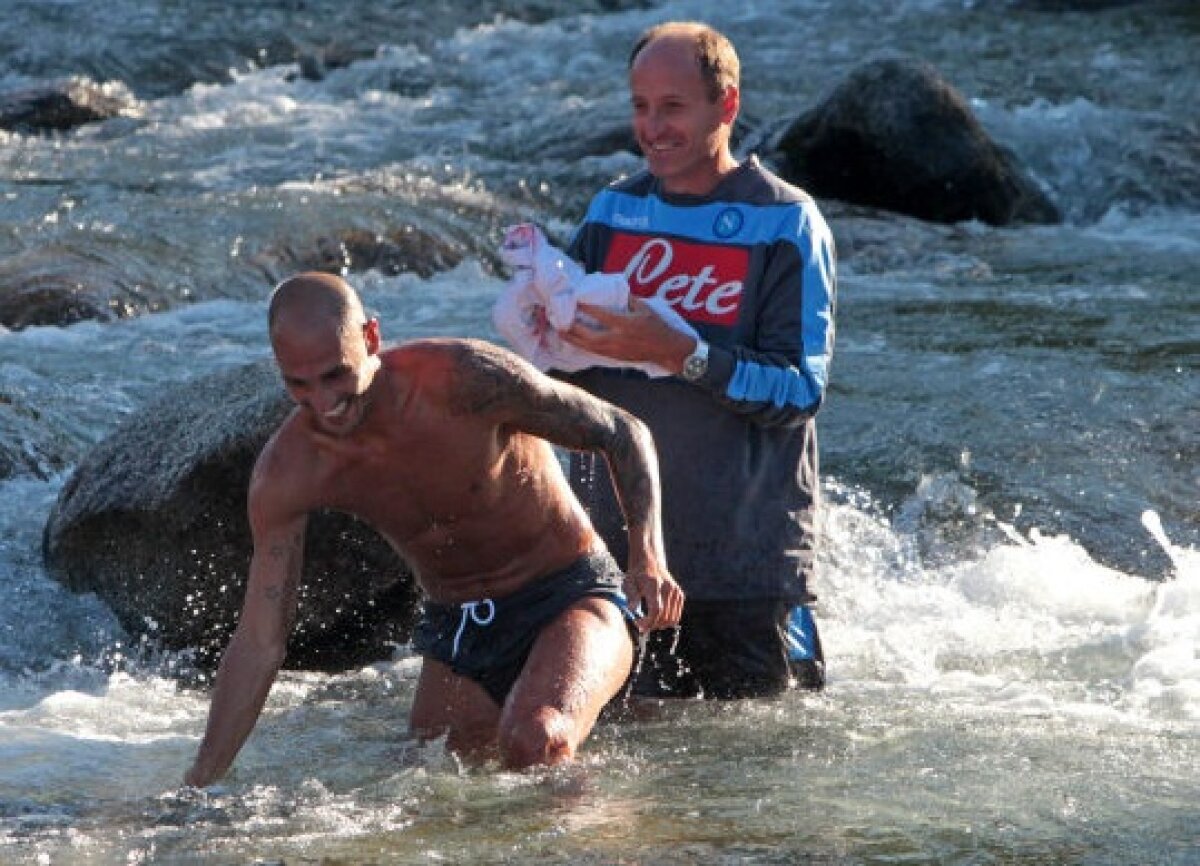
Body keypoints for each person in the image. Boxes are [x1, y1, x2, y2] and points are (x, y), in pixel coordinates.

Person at [183, 272, 683, 786]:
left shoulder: (463, 379)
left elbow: (623, 431)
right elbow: (260, 642)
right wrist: (198, 784)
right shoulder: (291, 470)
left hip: (571, 593)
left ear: (371, 338)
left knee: (537, 738)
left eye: (336, 375)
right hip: (461, 630)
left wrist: (648, 557)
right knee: (421, 782)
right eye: (299, 384)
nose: (323, 403)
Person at [557, 21, 836, 698]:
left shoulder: (787, 222)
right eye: (640, 106)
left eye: (673, 106)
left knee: (747, 787)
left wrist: (684, 355)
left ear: (727, 106)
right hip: (621, 564)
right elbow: (566, 373)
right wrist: (539, 332)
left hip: (745, 572)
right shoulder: (613, 212)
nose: (652, 127)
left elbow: (800, 389)